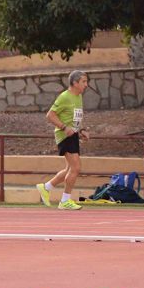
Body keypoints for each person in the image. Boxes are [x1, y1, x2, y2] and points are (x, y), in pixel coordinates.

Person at [36, 71, 90, 211]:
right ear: (75, 83)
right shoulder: (65, 97)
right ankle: (65, 200)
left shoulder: (78, 97)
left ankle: (46, 187)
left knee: (69, 169)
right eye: (83, 81)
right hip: (64, 136)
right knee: (76, 168)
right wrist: (64, 127)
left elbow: (75, 118)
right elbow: (50, 115)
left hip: (73, 135)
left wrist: (81, 130)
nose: (86, 84)